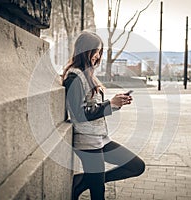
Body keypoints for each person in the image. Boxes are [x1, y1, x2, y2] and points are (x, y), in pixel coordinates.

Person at [62, 31, 145, 200]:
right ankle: (89, 181)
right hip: (87, 143)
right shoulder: (74, 77)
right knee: (98, 194)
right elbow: (79, 114)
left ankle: (84, 181)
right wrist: (110, 104)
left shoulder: (87, 75)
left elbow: (93, 107)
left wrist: (115, 104)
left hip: (100, 138)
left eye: (100, 52)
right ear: (85, 50)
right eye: (96, 51)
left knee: (136, 166)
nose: (98, 56)